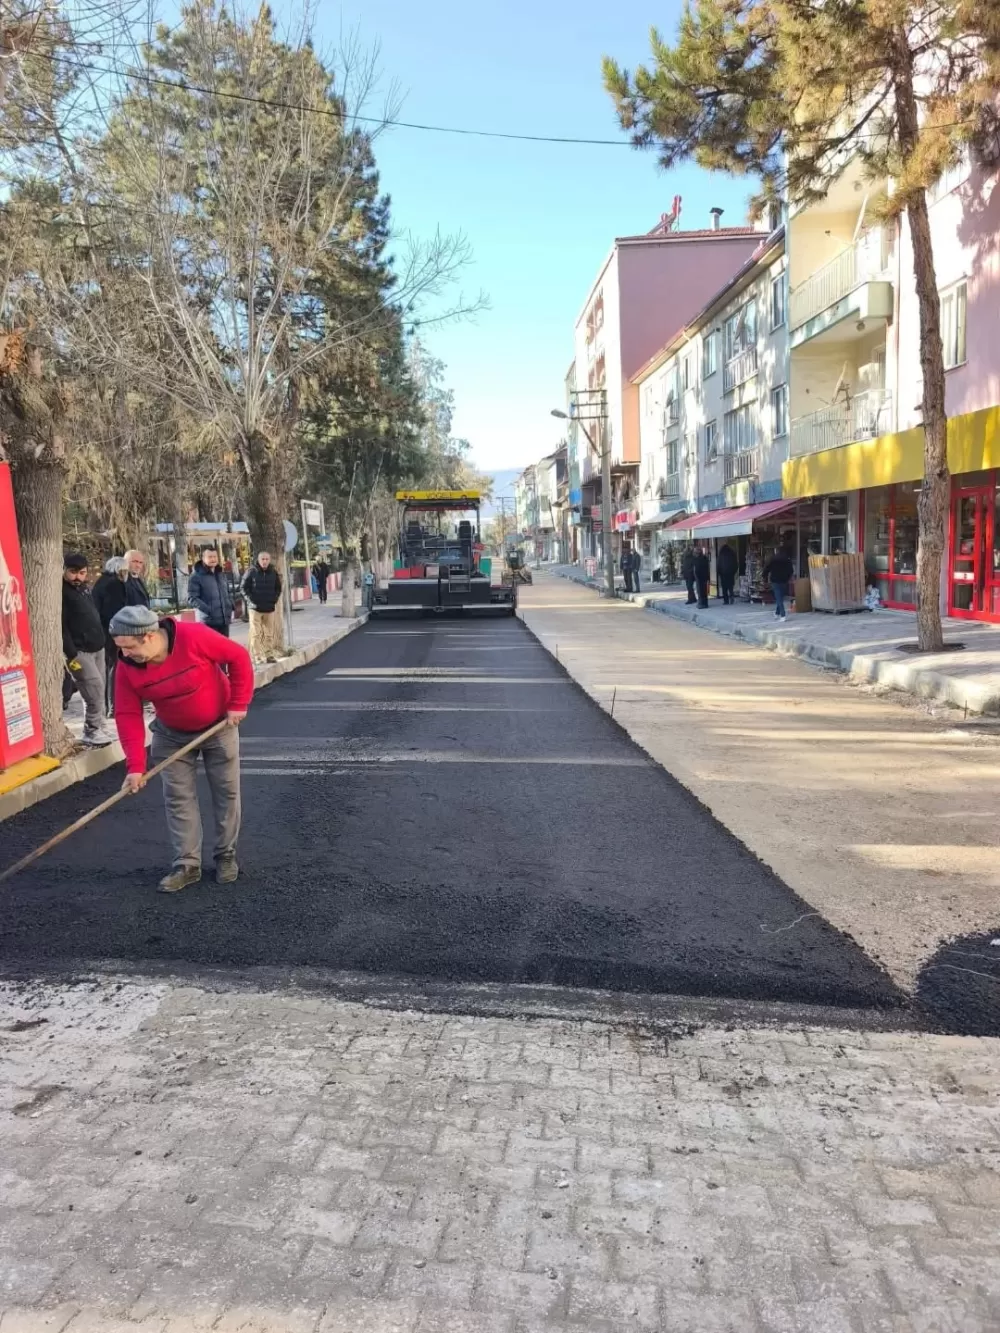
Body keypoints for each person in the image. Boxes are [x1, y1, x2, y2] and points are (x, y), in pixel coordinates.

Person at [110, 604, 254, 893]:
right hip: (171, 734)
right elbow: (127, 714)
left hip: (218, 728)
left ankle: (226, 855)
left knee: (226, 793)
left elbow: (238, 657)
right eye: (120, 648)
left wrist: (238, 703)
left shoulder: (194, 637)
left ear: (150, 636)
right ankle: (187, 864)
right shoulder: (126, 667)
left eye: (128, 647)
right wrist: (135, 766)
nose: (125, 655)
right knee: (178, 798)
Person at [62, 553, 114, 746]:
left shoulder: (84, 589)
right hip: (79, 651)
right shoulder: (61, 592)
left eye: (82, 573)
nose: (77, 577)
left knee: (98, 688)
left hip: (97, 648)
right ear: (65, 570)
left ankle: (100, 725)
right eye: (73, 572)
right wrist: (71, 653)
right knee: (94, 689)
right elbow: (61, 626)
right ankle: (91, 730)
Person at [92, 556, 128, 715]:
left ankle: (107, 707)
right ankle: (113, 707)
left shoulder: (101, 582)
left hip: (101, 631)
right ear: (119, 570)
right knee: (114, 668)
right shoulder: (114, 584)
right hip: (111, 631)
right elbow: (114, 611)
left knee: (106, 669)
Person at [242, 550, 283, 664]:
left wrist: (274, 599)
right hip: (255, 608)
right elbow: (243, 588)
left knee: (269, 633)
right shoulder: (251, 572)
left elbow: (278, 588)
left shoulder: (273, 572)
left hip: (269, 608)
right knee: (256, 633)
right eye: (262, 559)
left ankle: (269, 655)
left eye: (266, 559)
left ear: (269, 560)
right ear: (258, 560)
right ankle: (257, 656)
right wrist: (250, 600)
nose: (264, 561)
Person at [187, 547, 234, 636]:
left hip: (224, 621)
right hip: (209, 622)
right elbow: (192, 598)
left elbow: (227, 592)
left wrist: (231, 605)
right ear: (203, 559)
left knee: (224, 647)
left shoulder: (221, 574)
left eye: (215, 556)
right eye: (210, 557)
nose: (213, 559)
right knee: (211, 649)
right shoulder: (196, 576)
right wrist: (208, 610)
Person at [764, 546, 796, 621]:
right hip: (784, 581)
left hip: (775, 580)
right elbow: (791, 571)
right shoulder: (787, 560)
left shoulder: (773, 559)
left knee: (779, 598)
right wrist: (787, 578)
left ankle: (783, 615)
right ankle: (776, 613)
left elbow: (767, 569)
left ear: (777, 551)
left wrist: (764, 576)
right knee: (780, 597)